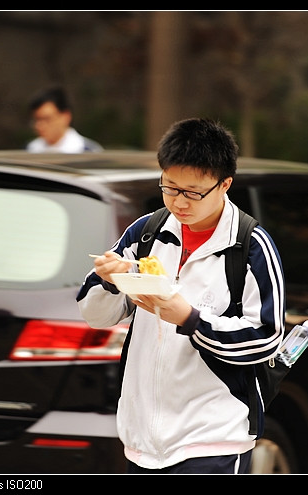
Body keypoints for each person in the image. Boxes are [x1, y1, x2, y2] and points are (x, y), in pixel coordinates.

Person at [76, 118, 286, 474]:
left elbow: (265, 338)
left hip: (214, 437)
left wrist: (189, 318)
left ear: (224, 185)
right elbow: (95, 315)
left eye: (193, 192)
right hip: (142, 441)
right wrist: (110, 281)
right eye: (170, 187)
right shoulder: (147, 233)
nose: (179, 202)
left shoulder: (250, 247)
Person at [25, 86, 103, 153]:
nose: (39, 125)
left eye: (46, 119)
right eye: (37, 120)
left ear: (66, 116)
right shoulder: (30, 149)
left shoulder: (88, 151)